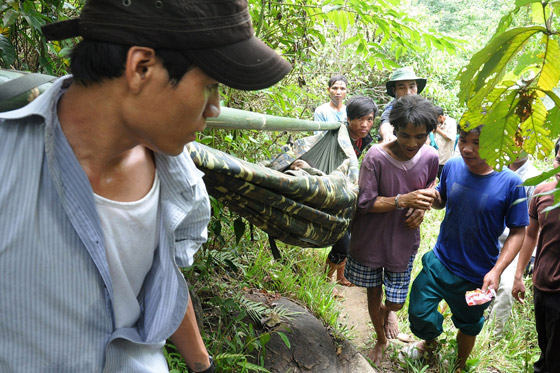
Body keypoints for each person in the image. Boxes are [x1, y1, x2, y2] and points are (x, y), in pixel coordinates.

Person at [0, 0, 291, 371]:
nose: (215, 107)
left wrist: (202, 365)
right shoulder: (8, 158)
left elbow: (162, 276)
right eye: (210, 85)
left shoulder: (179, 178)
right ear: (141, 67)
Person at [407, 126, 529, 372]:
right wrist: (431, 197)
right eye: (463, 140)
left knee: (469, 325)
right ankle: (430, 343)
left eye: (477, 143)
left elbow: (518, 231)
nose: (467, 148)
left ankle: (460, 366)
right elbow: (443, 199)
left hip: (477, 274)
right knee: (419, 313)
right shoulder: (452, 165)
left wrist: (496, 271)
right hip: (440, 261)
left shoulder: (511, 183)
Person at [344, 95, 439, 364]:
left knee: (396, 301)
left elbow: (430, 184)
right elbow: (364, 203)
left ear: (428, 133)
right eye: (405, 135)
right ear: (394, 130)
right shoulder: (375, 157)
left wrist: (422, 205)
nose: (411, 143)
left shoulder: (430, 155)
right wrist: (402, 200)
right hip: (371, 239)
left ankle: (388, 313)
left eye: (419, 136)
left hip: (403, 240)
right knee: (373, 290)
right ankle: (381, 338)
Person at [512, 139, 560, 373]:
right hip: (540, 285)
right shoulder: (542, 192)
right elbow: (530, 235)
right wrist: (519, 275)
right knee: (544, 346)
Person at [324, 95, 377, 286]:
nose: (365, 124)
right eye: (359, 119)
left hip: (350, 194)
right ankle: (324, 279)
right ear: (349, 118)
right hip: (334, 192)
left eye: (369, 119)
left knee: (349, 237)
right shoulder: (338, 136)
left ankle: (341, 276)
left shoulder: (364, 140)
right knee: (343, 242)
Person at [489, 153, 540, 338]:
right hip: (489, 238)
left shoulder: (534, 178)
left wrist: (528, 258)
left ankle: (493, 338)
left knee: (506, 287)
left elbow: (533, 226)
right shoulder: (492, 167)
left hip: (516, 243)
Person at [378, 67, 427, 143]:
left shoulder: (423, 107)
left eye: (412, 87)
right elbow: (386, 123)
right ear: (394, 90)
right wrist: (387, 135)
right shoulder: (392, 108)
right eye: (402, 88)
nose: (408, 92)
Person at [433, 106, 457, 178]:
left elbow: (451, 137)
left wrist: (438, 130)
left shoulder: (451, 122)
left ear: (440, 117)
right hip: (435, 158)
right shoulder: (436, 123)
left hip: (445, 159)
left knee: (444, 179)